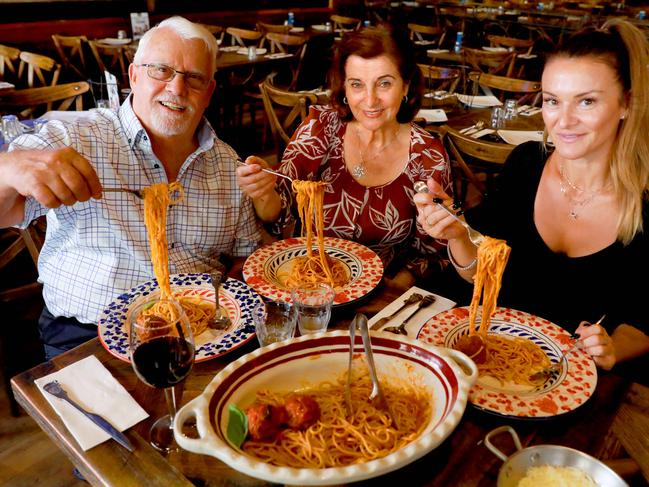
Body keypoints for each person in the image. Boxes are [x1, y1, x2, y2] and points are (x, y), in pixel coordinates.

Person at [0, 16, 261, 359]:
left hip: (201, 336)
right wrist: (8, 168)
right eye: (161, 71)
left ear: (209, 92)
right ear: (134, 76)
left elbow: (245, 256)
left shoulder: (229, 165)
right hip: (87, 338)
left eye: (193, 78)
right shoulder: (75, 139)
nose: (177, 89)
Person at [414, 18, 649, 371]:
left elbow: (643, 320)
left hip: (566, 376)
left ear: (627, 104)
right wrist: (458, 234)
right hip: (483, 355)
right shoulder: (525, 164)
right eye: (553, 101)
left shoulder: (645, 203)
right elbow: (479, 271)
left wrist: (611, 347)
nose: (563, 121)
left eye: (586, 102)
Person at [237, 26, 453, 291]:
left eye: (384, 83)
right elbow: (275, 211)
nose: (370, 100)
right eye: (357, 85)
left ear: (405, 85)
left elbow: (434, 250)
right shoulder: (320, 128)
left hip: (382, 293)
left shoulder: (428, 155)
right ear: (344, 88)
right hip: (304, 285)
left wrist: (393, 289)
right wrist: (262, 190)